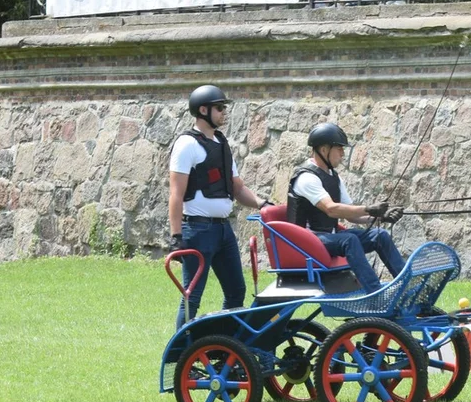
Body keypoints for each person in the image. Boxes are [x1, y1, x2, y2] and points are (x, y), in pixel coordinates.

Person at [168, 85, 270, 328]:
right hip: (198, 230)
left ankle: (225, 348)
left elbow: (237, 188)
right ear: (203, 110)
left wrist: (261, 203)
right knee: (191, 297)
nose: (224, 112)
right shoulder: (186, 144)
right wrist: (176, 235)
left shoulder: (221, 143)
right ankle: (184, 356)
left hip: (223, 231)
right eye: (219, 108)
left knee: (236, 291)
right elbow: (176, 193)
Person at [287, 123, 405, 293]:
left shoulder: (333, 177)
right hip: (308, 240)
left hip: (330, 237)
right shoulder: (306, 178)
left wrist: (380, 217)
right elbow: (331, 209)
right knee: (350, 240)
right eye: (339, 149)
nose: (343, 154)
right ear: (324, 149)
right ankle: (375, 293)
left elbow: (351, 215)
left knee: (380, 235)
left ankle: (407, 284)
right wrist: (368, 208)